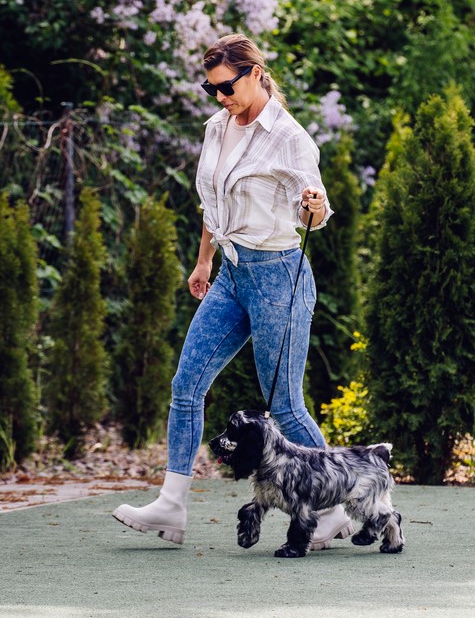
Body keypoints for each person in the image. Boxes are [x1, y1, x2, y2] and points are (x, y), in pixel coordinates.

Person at [112, 33, 354, 550]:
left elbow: (314, 214)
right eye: (211, 88)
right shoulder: (217, 128)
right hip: (231, 273)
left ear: (255, 73)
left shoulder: (290, 138)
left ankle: (335, 508)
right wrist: (205, 260)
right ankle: (171, 506)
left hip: (279, 276)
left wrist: (313, 206)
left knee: (285, 405)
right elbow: (212, 201)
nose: (220, 97)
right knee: (186, 384)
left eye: (226, 86)